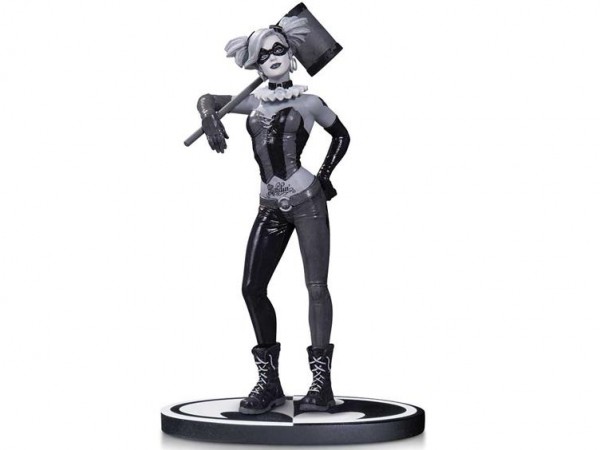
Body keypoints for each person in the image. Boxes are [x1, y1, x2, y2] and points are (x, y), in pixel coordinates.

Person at [197, 15, 350, 415]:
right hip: (269, 206)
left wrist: (325, 175)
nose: (273, 57)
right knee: (252, 287)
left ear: (292, 54)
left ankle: (321, 385)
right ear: (256, 64)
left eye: (279, 49)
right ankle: (270, 383)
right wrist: (208, 116)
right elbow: (208, 98)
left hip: (307, 201)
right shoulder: (254, 102)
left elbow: (342, 135)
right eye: (264, 54)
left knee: (316, 287)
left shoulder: (310, 102)